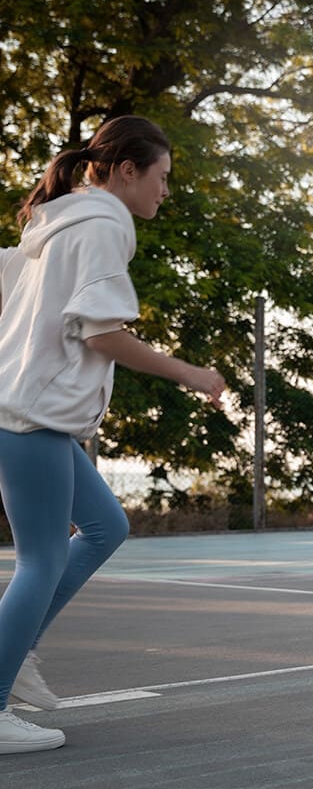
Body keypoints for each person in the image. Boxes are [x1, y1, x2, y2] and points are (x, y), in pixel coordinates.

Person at [0, 115, 226, 754]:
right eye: (161, 177)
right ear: (127, 170)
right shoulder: (101, 225)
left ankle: (15, 655)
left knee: (106, 526)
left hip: (31, 416)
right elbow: (101, 333)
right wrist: (190, 372)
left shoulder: (57, 221)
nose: (165, 190)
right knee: (41, 560)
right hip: (32, 419)